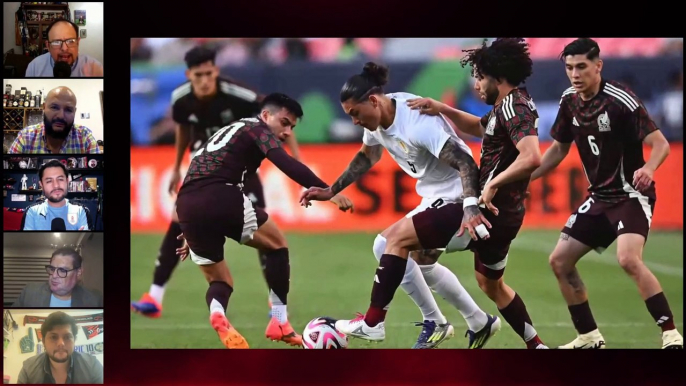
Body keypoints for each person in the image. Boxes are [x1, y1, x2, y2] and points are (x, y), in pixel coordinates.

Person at [301, 62, 500, 348]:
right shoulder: (377, 117)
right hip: (434, 196)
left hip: (459, 196)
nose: (354, 121)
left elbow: (465, 160)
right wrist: (331, 190)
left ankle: (384, 323)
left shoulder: (416, 121)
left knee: (387, 244)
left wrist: (470, 205)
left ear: (372, 100)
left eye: (355, 114)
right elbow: (368, 156)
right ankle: (479, 322)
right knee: (419, 264)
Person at [530, 38, 683, 349]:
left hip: (630, 195)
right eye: (569, 67)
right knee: (559, 261)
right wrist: (526, 178)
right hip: (599, 198)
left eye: (582, 67)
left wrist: (649, 169)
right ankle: (589, 337)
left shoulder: (621, 100)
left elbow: (661, 144)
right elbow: (558, 149)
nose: (574, 74)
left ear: (598, 66)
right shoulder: (569, 100)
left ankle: (670, 333)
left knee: (628, 259)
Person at [131, 46, 302, 319]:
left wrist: (297, 160)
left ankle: (275, 302)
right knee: (178, 220)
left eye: (209, 73)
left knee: (267, 235)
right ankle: (155, 295)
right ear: (189, 74)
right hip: (205, 174)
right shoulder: (181, 98)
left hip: (241, 171)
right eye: (198, 75)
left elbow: (280, 119)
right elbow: (183, 130)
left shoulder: (239, 95)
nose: (204, 80)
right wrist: (176, 168)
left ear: (216, 71)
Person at [174, 93, 353, 349]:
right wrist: (329, 191)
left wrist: (191, 225)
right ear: (267, 115)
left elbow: (200, 175)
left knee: (219, 280)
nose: (288, 131)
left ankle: (218, 313)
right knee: (277, 245)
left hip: (187, 204)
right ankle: (279, 321)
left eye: (292, 127)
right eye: (285, 122)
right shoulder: (256, 128)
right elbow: (285, 162)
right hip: (221, 194)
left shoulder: (231, 131)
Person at [405, 38, 548, 349]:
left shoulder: (515, 108)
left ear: (497, 77)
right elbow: (482, 128)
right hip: (504, 214)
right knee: (491, 285)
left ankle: (437, 324)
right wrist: (442, 108)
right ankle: (537, 347)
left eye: (480, 77)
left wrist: (494, 182)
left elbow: (532, 156)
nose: (477, 84)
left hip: (488, 213)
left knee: (402, 247)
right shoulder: (507, 106)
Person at [17, 311, 103, 384]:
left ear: (74, 340)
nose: (61, 343)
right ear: (43, 341)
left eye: (67, 337)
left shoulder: (92, 365)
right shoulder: (28, 369)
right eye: (53, 337)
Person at [9, 86, 101, 154]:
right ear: (44, 107)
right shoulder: (25, 137)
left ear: (74, 112)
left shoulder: (85, 137)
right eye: (54, 107)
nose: (61, 116)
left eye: (68, 110)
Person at [12, 247, 102, 307]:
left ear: (78, 272)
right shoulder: (29, 292)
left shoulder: (95, 299)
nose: (54, 276)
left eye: (62, 270)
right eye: (52, 269)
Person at [22, 160, 91, 231]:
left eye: (60, 179)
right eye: (49, 181)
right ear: (41, 185)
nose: (56, 185)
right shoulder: (31, 212)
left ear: (67, 181)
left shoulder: (81, 210)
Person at [25, 19, 103, 77]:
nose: (64, 48)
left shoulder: (94, 67)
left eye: (70, 41)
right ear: (48, 46)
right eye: (56, 42)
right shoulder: (34, 67)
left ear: (78, 43)